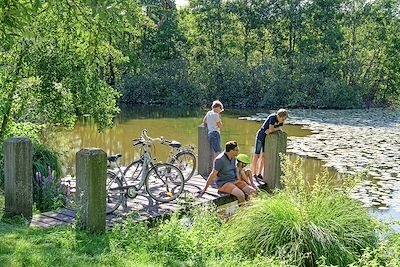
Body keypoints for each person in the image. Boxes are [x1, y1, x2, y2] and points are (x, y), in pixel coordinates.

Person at [252, 108, 288, 181]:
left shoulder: (280, 121)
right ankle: (254, 173)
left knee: (264, 156)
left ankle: (259, 174)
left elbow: (271, 130)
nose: (283, 121)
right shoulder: (272, 117)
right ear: (279, 116)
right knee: (257, 155)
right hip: (261, 136)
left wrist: (274, 129)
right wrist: (276, 128)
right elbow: (271, 129)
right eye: (283, 119)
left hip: (267, 139)